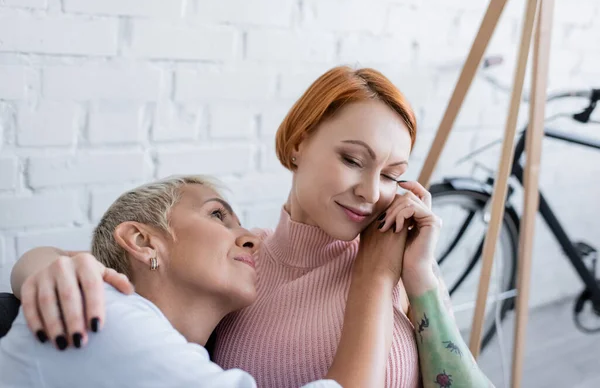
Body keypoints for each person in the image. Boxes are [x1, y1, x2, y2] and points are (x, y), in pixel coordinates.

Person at [10, 66, 494, 387]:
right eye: (352, 159)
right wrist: (44, 264)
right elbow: (123, 279)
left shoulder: (397, 260)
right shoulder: (239, 274)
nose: (372, 192)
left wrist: (421, 278)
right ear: (300, 143)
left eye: (392, 174)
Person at [1, 175, 413, 388]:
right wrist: (375, 272)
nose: (250, 236)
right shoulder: (106, 316)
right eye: (217, 215)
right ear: (143, 241)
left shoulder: (180, 352)